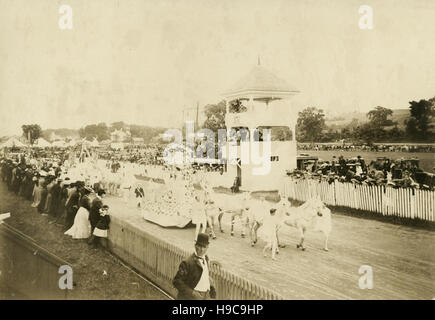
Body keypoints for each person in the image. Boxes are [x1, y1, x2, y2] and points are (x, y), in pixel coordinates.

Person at [172, 233, 216, 300]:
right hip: (192, 296)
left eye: (204, 247)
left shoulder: (206, 258)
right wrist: (192, 293)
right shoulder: (187, 263)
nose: (202, 250)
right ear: (195, 246)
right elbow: (176, 281)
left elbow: (201, 273)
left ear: (207, 247)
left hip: (206, 295)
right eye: (200, 246)